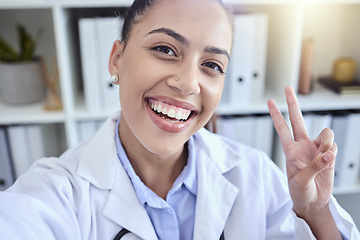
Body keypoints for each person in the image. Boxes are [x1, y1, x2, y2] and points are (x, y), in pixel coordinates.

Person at [0, 0, 359, 239]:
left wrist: (315, 213)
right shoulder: (57, 193)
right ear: (116, 59)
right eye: (165, 49)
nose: (188, 84)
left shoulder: (256, 176)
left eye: (212, 65)